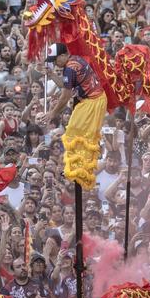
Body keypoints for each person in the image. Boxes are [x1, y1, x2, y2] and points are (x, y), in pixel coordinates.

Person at [42, 43, 107, 189]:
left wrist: (52, 113)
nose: (54, 63)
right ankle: (78, 167)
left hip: (92, 101)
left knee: (75, 133)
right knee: (76, 133)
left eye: (55, 59)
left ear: (64, 55)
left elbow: (65, 97)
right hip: (92, 101)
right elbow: (67, 88)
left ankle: (81, 170)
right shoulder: (75, 60)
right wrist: (52, 75)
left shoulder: (70, 68)